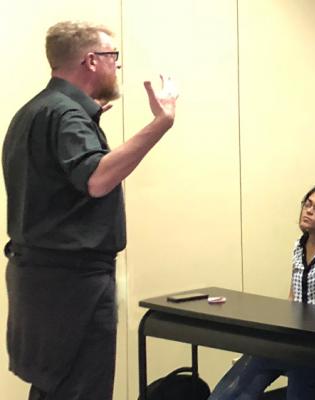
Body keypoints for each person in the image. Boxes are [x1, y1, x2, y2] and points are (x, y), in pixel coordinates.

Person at [3, 21, 179, 398]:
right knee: (83, 390)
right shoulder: (66, 115)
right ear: (91, 60)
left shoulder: (34, 111)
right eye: (113, 56)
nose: (118, 65)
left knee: (51, 388)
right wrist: (161, 123)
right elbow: (96, 179)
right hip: (74, 284)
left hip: (37, 278)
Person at [211, 185, 315, 399]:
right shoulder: (299, 245)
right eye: (307, 204)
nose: (309, 211)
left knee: (301, 377)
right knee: (242, 378)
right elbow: (293, 296)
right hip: (294, 336)